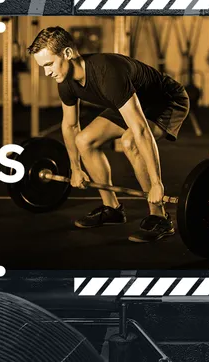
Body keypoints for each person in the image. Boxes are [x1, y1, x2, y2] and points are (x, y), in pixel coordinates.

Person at [27, 26, 191, 243]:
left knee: (130, 140)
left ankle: (159, 217)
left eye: (49, 64)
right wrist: (75, 168)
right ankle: (112, 208)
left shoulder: (107, 73)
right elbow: (70, 126)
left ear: (67, 53)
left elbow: (140, 129)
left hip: (166, 101)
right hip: (130, 102)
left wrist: (156, 183)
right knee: (84, 140)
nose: (47, 72)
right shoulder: (65, 81)